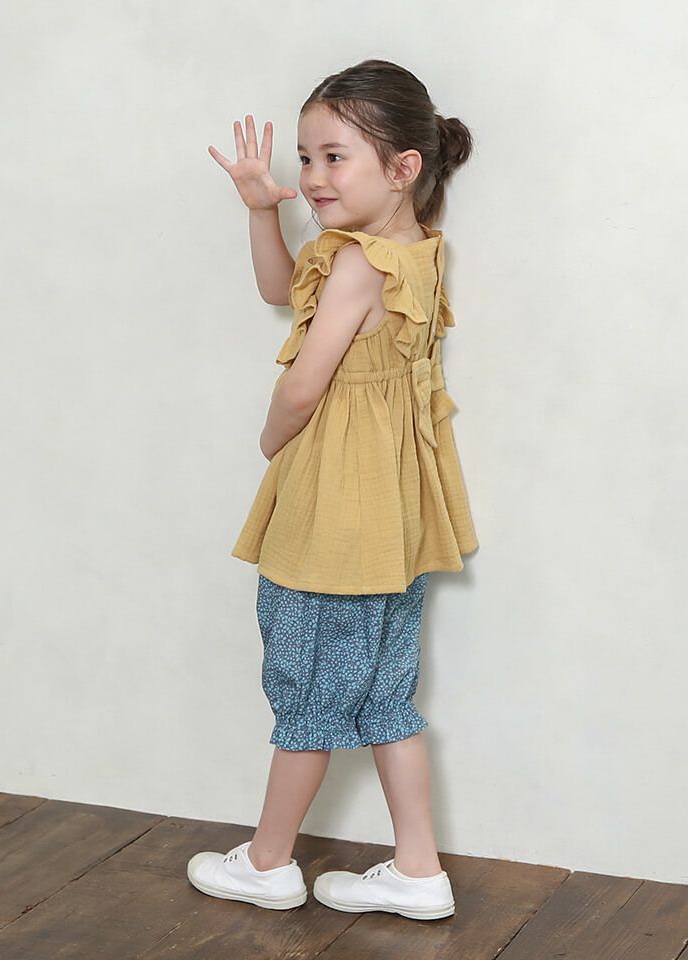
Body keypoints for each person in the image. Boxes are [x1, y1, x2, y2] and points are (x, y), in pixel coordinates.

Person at [187, 59, 478, 922]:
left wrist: (271, 439)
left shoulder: (355, 263)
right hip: (393, 512)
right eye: (307, 157)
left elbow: (305, 383)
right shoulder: (418, 251)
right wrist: (261, 210)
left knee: (308, 687)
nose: (313, 176)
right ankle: (418, 869)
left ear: (403, 167)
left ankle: (268, 862)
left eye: (334, 157)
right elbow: (283, 291)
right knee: (383, 693)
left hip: (337, 510)